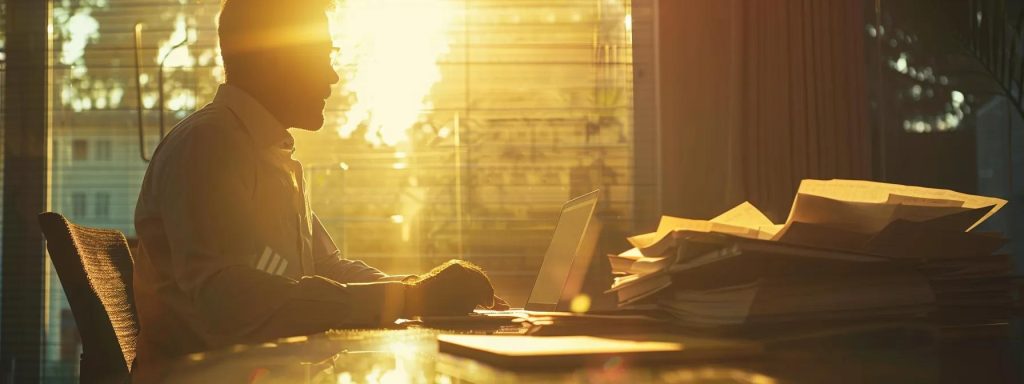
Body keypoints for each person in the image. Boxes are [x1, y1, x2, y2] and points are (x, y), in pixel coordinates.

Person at [132, 0, 505, 379]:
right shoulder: (209, 145)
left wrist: (420, 293)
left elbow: (326, 266)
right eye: (321, 56)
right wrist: (411, 297)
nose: (333, 77)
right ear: (274, 60)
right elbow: (228, 298)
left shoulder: (264, 152)